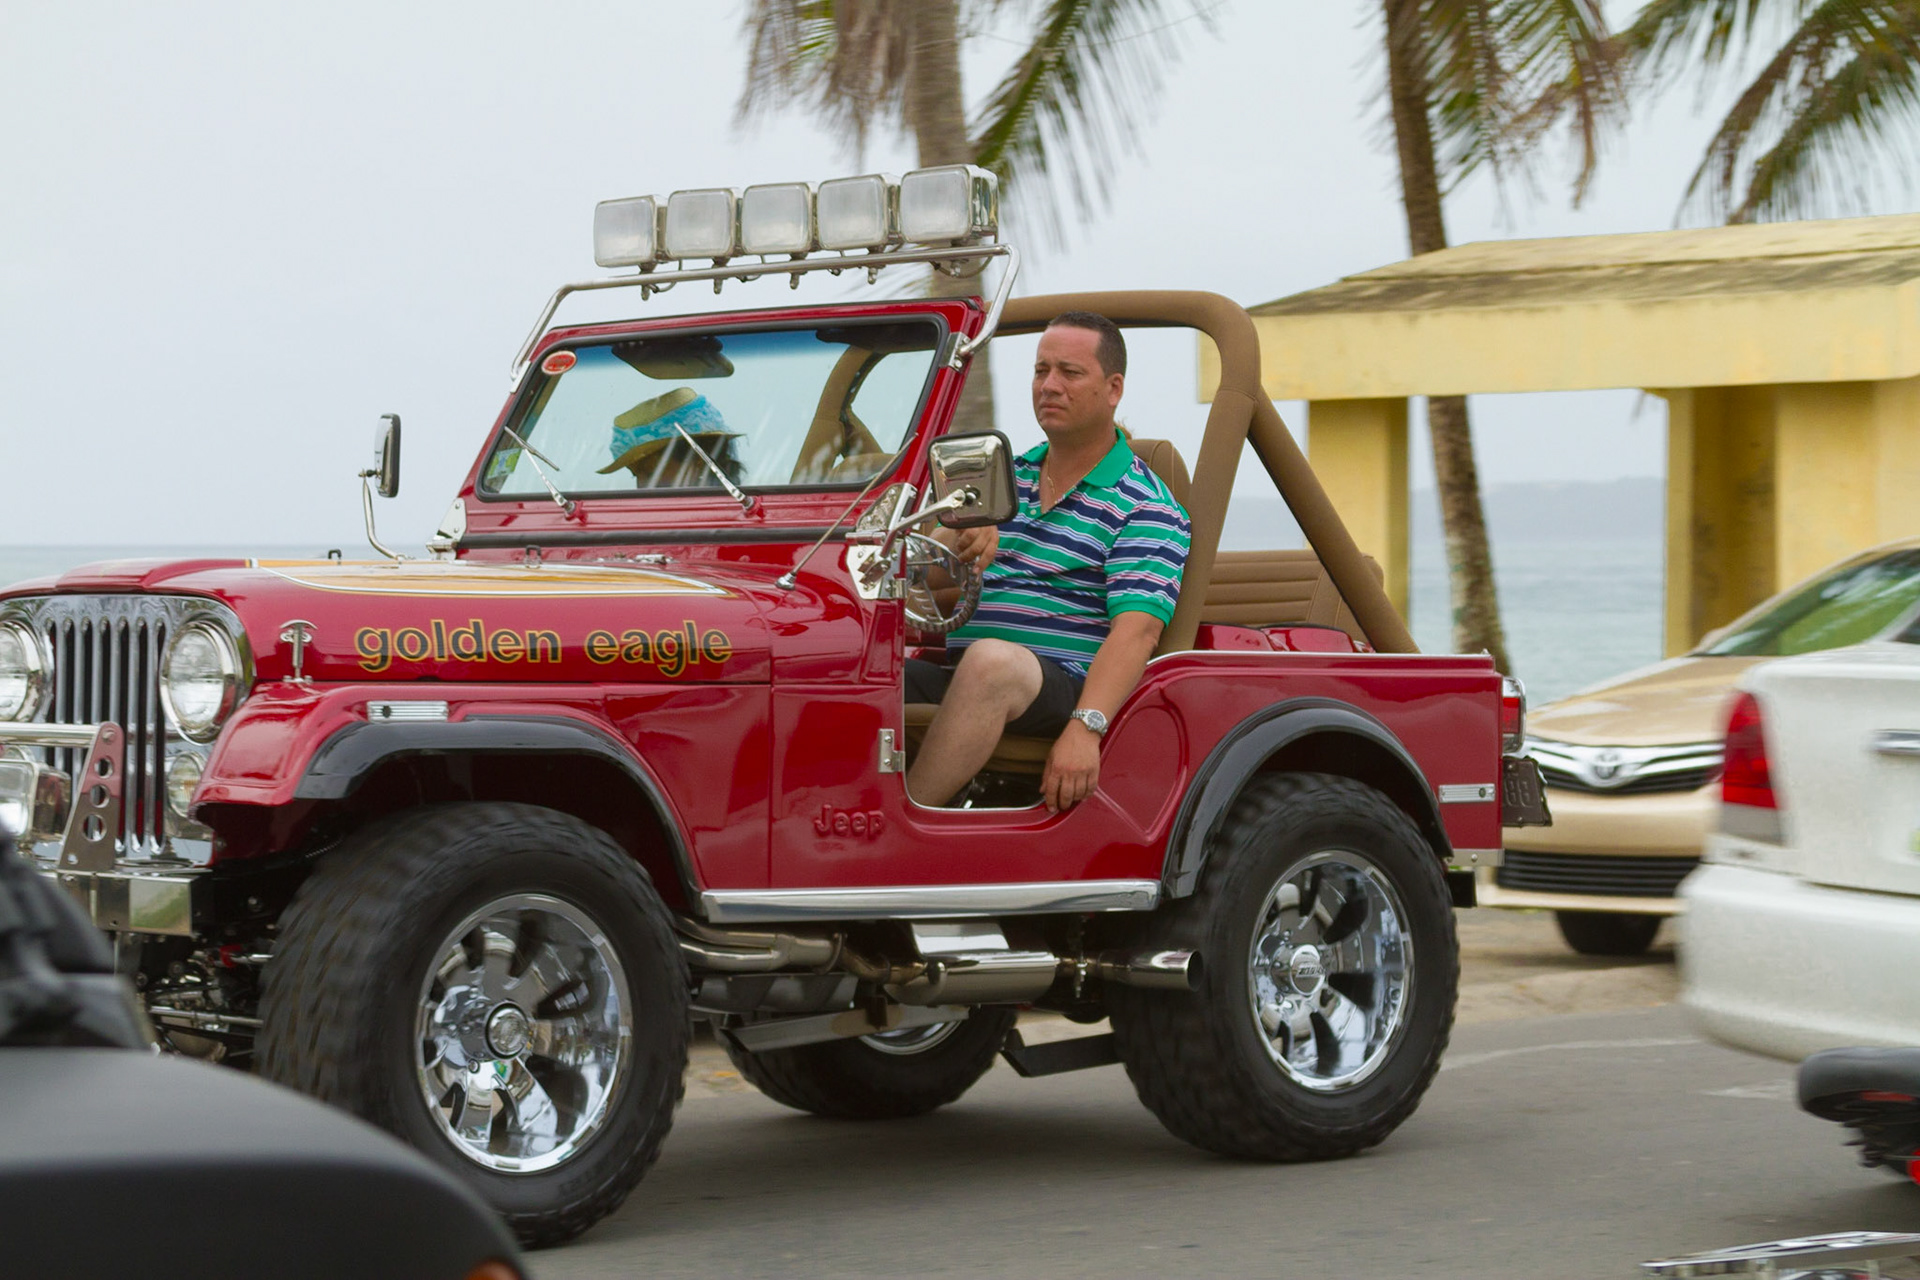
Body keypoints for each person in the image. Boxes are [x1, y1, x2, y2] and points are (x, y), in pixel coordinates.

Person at [904, 312, 1191, 813]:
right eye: (1041, 371)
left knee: (992, 663)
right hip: (965, 668)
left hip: (1066, 683)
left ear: (1113, 387)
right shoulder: (998, 477)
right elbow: (916, 577)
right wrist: (957, 531)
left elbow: (1137, 633)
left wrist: (1086, 729)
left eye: (1070, 373)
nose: (1049, 386)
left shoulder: (1146, 505)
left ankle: (901, 832)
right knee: (834, 666)